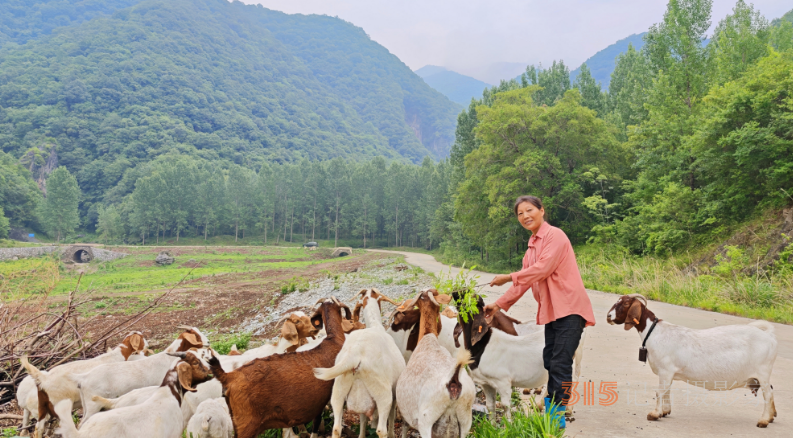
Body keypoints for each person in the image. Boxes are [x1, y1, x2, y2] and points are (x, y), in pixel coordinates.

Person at [484, 195, 595, 428]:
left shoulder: (555, 236)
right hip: (553, 312)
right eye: (520, 214)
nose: (525, 216)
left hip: (570, 309)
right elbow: (523, 283)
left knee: (561, 362)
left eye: (529, 210)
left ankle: (555, 421)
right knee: (550, 360)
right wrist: (498, 305)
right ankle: (552, 413)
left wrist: (507, 277)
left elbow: (541, 270)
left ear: (542, 210)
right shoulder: (531, 247)